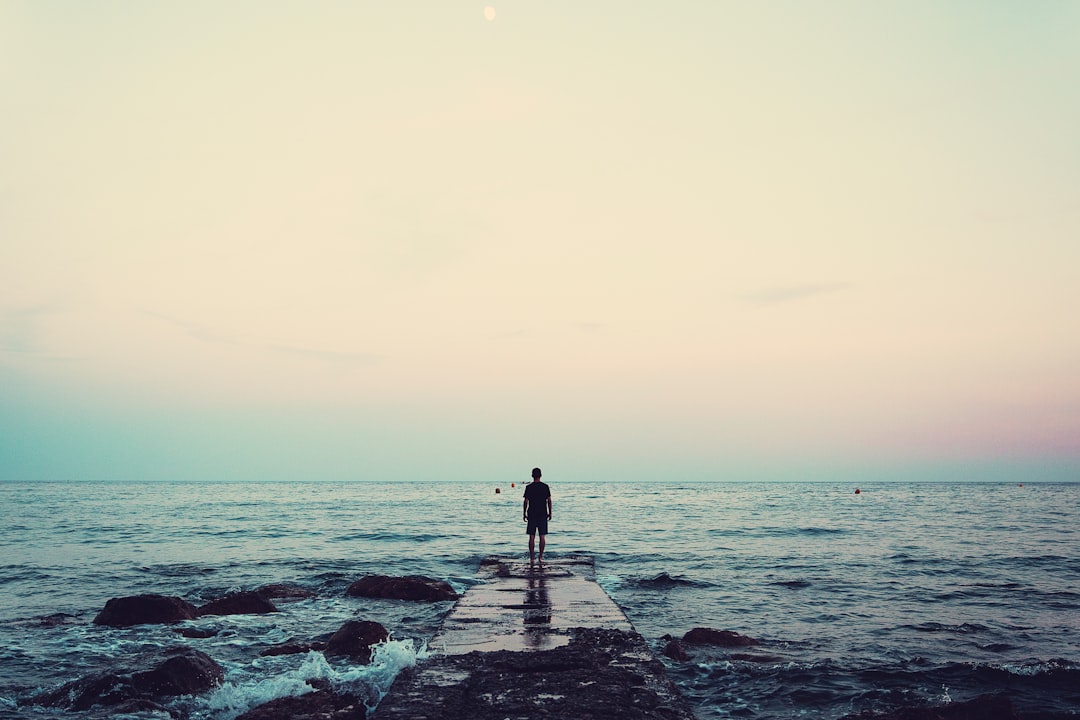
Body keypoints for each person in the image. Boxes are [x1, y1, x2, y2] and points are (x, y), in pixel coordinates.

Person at [522, 467, 552, 564]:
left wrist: (524, 513)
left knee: (532, 536)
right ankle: (540, 557)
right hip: (543, 513)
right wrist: (550, 512)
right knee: (542, 536)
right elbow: (549, 500)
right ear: (541, 475)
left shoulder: (529, 487)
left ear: (532, 475)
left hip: (532, 513)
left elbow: (526, 501)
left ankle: (531, 558)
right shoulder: (545, 487)